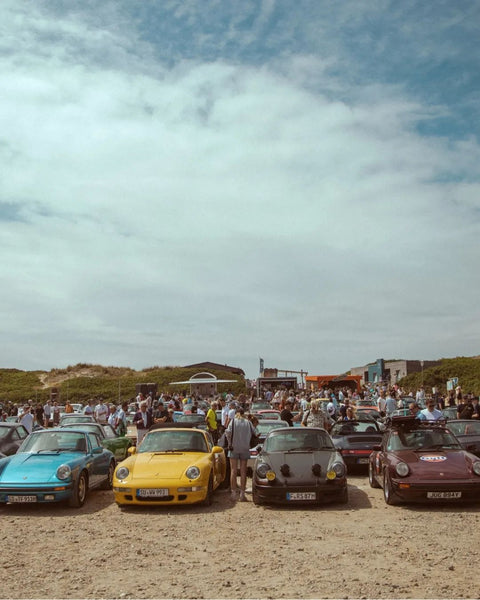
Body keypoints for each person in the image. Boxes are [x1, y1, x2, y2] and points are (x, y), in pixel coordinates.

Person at [225, 407, 256, 502]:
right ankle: (242, 494)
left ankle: (233, 493)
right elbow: (254, 433)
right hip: (245, 448)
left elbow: (227, 432)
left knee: (233, 470)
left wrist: (230, 443)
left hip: (234, 448)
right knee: (243, 471)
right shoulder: (248, 422)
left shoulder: (233, 421)